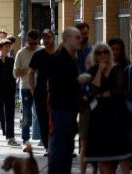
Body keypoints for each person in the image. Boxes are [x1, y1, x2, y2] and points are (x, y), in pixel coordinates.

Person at [85, 42, 132, 174]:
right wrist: (100, 69)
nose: (103, 55)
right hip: (99, 115)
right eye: (99, 53)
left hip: (116, 112)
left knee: (122, 151)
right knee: (103, 153)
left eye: (105, 52)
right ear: (96, 55)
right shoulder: (93, 70)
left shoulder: (117, 68)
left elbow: (119, 88)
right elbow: (94, 88)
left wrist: (107, 93)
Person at [48, 27, 83, 173]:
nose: (80, 40)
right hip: (61, 110)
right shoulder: (59, 58)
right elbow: (56, 86)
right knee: (60, 151)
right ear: (67, 39)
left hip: (69, 111)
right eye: (77, 37)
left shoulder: (71, 58)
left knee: (67, 151)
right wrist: (77, 81)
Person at [28, 29, 57, 156]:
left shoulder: (60, 54)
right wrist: (33, 90)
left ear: (53, 38)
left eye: (48, 37)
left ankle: (57, 144)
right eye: (44, 38)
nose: (46, 40)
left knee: (56, 119)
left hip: (57, 94)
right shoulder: (38, 55)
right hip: (41, 93)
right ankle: (47, 146)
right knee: (43, 120)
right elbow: (31, 73)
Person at [13, 30, 41, 150]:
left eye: (35, 43)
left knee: (40, 113)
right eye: (31, 44)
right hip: (25, 87)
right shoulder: (21, 53)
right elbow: (15, 74)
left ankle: (41, 139)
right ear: (27, 41)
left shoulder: (41, 51)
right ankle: (26, 141)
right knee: (26, 115)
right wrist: (26, 70)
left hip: (40, 87)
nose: (33, 46)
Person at [0, 39, 19, 146]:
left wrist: (14, 88)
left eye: (8, 46)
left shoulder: (11, 60)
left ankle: (10, 137)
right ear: (0, 48)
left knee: (10, 115)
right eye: (5, 46)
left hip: (9, 91)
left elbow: (14, 76)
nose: (7, 48)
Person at [75, 22, 96, 174]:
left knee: (88, 139)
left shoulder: (93, 51)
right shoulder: (72, 51)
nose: (84, 36)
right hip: (73, 98)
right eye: (81, 33)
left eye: (86, 33)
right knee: (81, 138)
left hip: (90, 99)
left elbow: (95, 75)